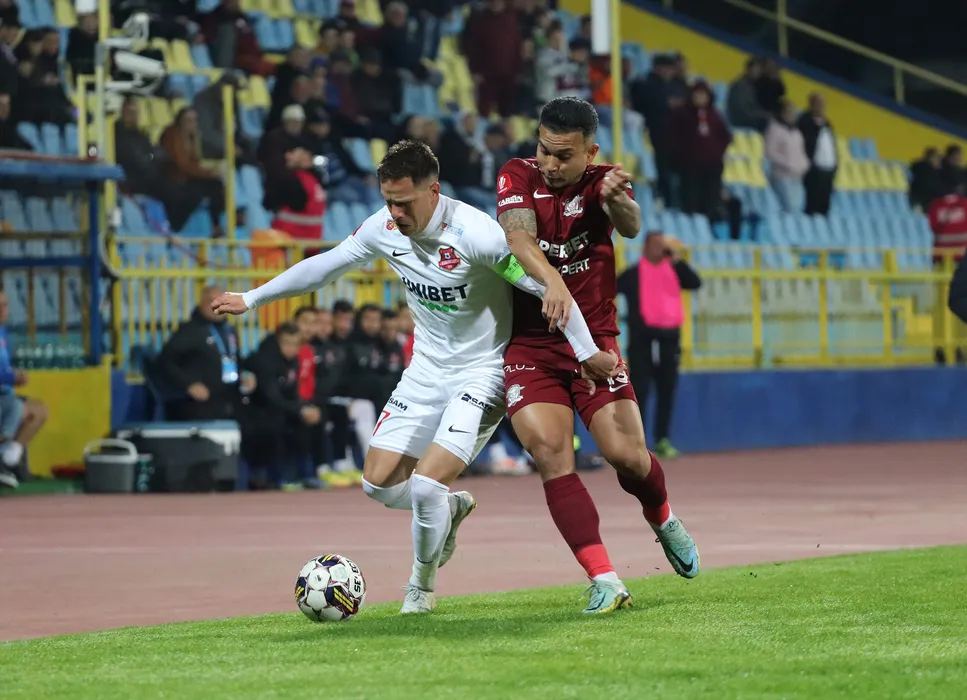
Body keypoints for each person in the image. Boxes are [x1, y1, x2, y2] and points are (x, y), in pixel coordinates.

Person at [211, 140, 616, 614]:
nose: (395, 213)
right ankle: (450, 509)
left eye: (403, 202)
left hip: (482, 372)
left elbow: (551, 289)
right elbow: (325, 266)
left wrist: (588, 352)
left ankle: (420, 588)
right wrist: (252, 298)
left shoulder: (477, 235)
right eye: (388, 201)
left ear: (434, 191)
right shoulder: (383, 227)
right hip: (424, 371)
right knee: (378, 484)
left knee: (426, 486)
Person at [496, 96, 701, 614]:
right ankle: (604, 578)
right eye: (545, 150)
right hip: (532, 346)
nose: (550, 163)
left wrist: (616, 199)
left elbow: (630, 225)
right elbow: (517, 237)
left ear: (590, 152)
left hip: (597, 341)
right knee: (551, 454)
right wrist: (552, 282)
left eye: (564, 155)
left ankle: (663, 516)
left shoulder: (604, 181)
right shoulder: (517, 173)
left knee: (627, 456)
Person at [617, 232, 701, 459]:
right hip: (641, 341)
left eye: (663, 245)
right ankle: (637, 441)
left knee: (666, 390)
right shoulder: (633, 274)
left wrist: (677, 260)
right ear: (645, 247)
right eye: (656, 245)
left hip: (669, 340)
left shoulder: (674, 270)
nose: (660, 249)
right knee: (640, 391)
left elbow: (695, 282)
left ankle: (662, 439)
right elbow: (611, 288)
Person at [0, 286, 48, 489]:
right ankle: (4, 458)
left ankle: (10, 459)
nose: (3, 310)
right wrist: (12, 376)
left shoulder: (2, 333)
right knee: (16, 407)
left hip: (5, 394)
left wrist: (13, 374)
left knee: (39, 410)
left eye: (5, 305)